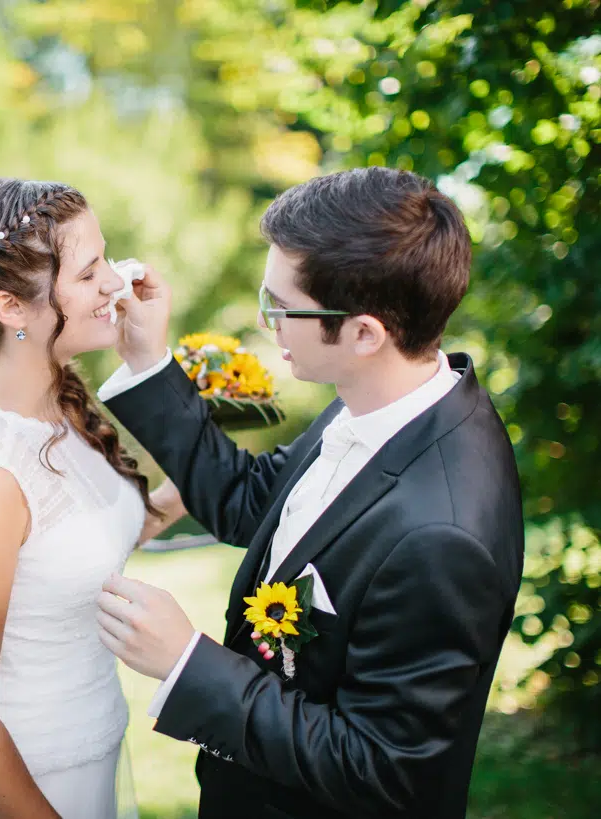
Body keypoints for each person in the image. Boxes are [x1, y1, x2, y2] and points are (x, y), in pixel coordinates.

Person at [95, 167, 525, 819]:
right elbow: (254, 500)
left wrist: (188, 661)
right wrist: (148, 363)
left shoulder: (441, 533)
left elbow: (383, 768)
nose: (268, 324)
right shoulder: (383, 398)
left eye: (280, 308)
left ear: (362, 332)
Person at [0, 178, 185, 819]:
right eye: (88, 273)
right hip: (5, 793)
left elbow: (71, 548)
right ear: (12, 308)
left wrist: (191, 482)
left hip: (87, 765)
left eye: (105, 256)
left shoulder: (51, 397)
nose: (114, 282)